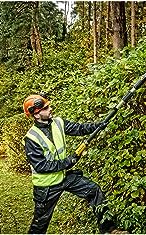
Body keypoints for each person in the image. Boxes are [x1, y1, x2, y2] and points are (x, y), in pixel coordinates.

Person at [22, 93, 127, 234]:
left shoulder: (58, 123)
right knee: (40, 224)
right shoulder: (31, 138)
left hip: (64, 177)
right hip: (46, 187)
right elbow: (41, 166)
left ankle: (109, 230)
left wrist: (98, 126)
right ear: (36, 114)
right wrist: (68, 162)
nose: (50, 109)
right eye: (46, 108)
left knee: (94, 191)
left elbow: (79, 128)